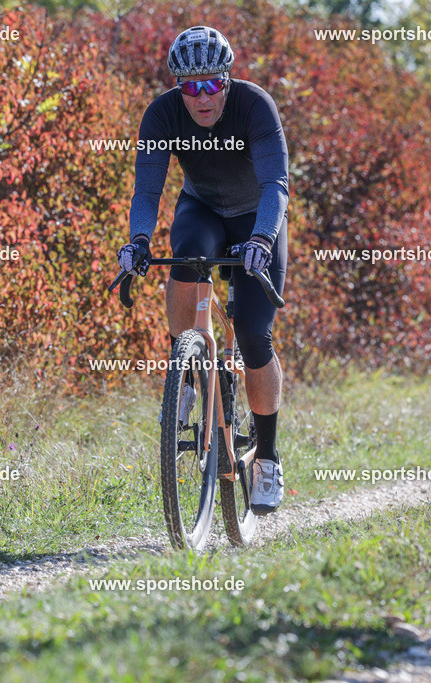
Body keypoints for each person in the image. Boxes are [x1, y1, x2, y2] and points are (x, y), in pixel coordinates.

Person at [116, 25, 290, 515]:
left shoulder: (255, 106)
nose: (201, 97)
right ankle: (189, 371)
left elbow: (276, 183)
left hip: (257, 219)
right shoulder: (162, 114)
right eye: (189, 86)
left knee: (255, 335)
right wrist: (138, 242)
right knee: (186, 256)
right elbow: (147, 190)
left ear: (227, 80)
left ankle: (269, 457)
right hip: (204, 210)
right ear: (178, 87)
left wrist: (262, 238)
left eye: (211, 83)